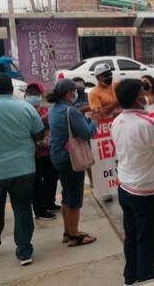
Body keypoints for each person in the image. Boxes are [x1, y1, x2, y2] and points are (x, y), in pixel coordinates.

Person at [111, 79, 154, 285]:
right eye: (142, 93)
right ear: (137, 98)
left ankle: (131, 276)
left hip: (125, 187)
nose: (145, 96)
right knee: (148, 240)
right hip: (145, 191)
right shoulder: (147, 123)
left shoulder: (117, 121)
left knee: (131, 236)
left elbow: (143, 146)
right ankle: (147, 277)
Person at [0, 74, 45, 266]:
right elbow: (39, 135)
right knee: (22, 209)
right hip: (23, 168)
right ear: (12, 90)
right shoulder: (26, 107)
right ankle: (24, 252)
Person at [48, 79, 98, 247]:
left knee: (66, 196)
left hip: (58, 157)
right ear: (70, 93)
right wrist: (94, 120)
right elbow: (87, 133)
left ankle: (68, 231)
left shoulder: (54, 110)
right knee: (74, 198)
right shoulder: (71, 111)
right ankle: (75, 236)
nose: (77, 95)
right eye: (75, 92)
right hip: (71, 159)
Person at [25, 83, 59, 220]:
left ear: (41, 95)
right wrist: (42, 120)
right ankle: (39, 210)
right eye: (31, 94)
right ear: (26, 96)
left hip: (49, 151)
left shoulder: (46, 109)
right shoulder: (24, 111)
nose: (34, 97)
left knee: (52, 178)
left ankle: (50, 203)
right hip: (33, 154)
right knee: (37, 182)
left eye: (36, 94)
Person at [88, 63, 118, 202]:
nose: (109, 77)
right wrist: (117, 102)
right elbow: (100, 112)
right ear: (98, 77)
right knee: (105, 161)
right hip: (104, 131)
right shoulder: (94, 93)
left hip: (118, 126)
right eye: (105, 75)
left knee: (120, 158)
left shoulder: (116, 86)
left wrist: (111, 106)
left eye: (110, 73)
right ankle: (106, 190)